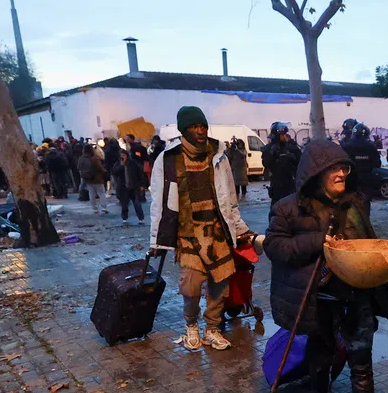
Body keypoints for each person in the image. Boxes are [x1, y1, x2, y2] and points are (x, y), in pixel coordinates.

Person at [264, 140, 388, 393]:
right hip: (317, 296)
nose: (342, 173)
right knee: (322, 351)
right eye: (334, 169)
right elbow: (275, 246)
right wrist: (317, 241)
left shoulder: (357, 203)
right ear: (316, 172)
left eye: (345, 168)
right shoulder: (289, 208)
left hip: (355, 293)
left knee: (361, 356)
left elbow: (367, 242)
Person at [149, 106, 249, 351]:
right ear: (184, 129)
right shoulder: (168, 159)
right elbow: (158, 200)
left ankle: (212, 328)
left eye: (203, 126)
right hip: (188, 234)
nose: (200, 131)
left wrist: (239, 227)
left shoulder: (219, 155)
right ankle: (191, 326)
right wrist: (155, 240)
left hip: (217, 232)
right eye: (194, 127)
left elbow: (229, 197)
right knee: (191, 285)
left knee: (221, 285)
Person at [263, 122, 302, 207]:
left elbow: (300, 162)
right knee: (276, 209)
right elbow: (265, 163)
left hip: (290, 183)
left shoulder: (291, 147)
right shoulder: (269, 148)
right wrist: (271, 153)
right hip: (276, 184)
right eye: (282, 135)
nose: (284, 136)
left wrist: (293, 157)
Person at [341, 123, 382, 194]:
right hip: (367, 178)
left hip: (351, 178)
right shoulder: (371, 146)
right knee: (366, 199)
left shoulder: (346, 146)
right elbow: (377, 163)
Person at [111, 151, 145, 224]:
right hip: (123, 188)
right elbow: (114, 172)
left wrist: (141, 184)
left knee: (137, 203)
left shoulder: (132, 163)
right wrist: (121, 166)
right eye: (121, 156)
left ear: (127, 156)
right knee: (124, 205)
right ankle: (124, 218)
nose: (122, 157)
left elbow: (139, 173)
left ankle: (141, 218)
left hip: (133, 186)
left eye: (124, 155)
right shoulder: (118, 164)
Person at [77, 144, 109, 215]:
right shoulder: (94, 158)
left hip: (87, 179)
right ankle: (104, 207)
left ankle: (95, 208)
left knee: (91, 193)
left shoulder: (81, 158)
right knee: (101, 193)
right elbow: (99, 168)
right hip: (97, 178)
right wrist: (105, 172)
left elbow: (79, 168)